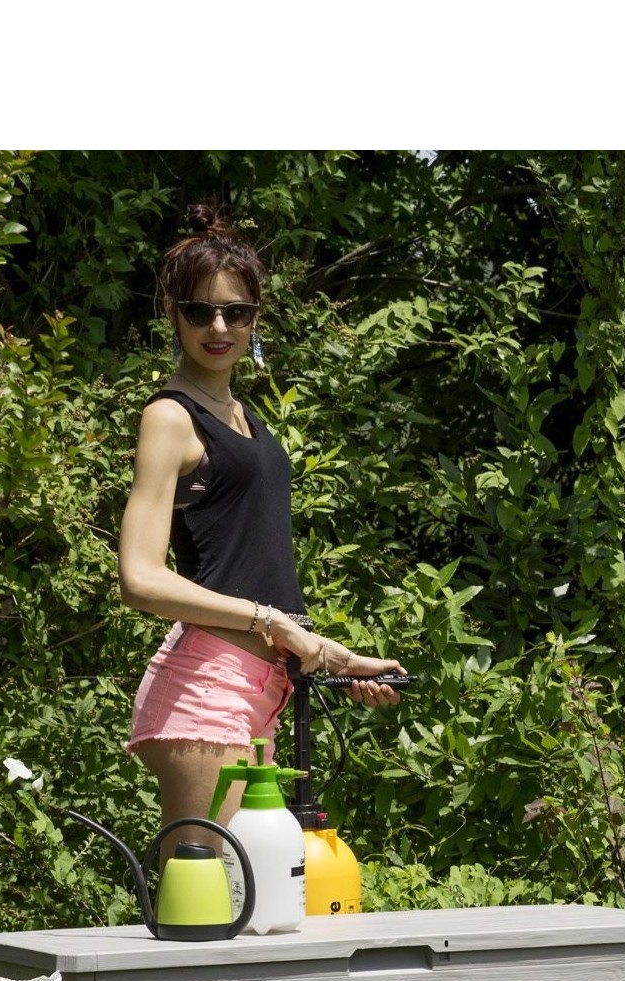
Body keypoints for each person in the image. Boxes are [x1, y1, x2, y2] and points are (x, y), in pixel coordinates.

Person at [119, 204, 403, 844]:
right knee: (203, 892)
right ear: (172, 314)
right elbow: (139, 579)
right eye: (199, 311)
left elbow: (251, 563)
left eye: (236, 312)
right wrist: (271, 622)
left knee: (257, 892)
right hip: (208, 688)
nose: (218, 327)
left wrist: (329, 654)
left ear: (256, 317)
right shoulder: (170, 417)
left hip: (263, 686)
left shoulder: (245, 417)